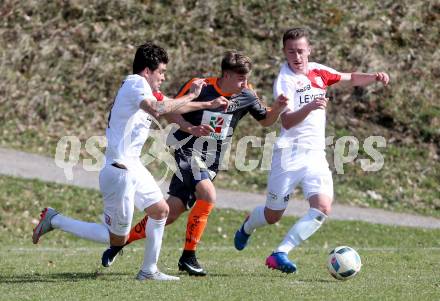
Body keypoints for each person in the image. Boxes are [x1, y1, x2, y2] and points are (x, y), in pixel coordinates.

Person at [32, 42, 228, 281]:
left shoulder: (144, 88)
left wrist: (204, 107)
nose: (164, 77)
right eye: (161, 72)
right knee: (116, 238)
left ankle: (149, 271)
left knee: (160, 210)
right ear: (147, 71)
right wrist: (193, 95)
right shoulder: (137, 84)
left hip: (133, 165)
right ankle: (56, 220)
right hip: (119, 169)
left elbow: (169, 106)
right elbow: (158, 108)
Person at [101, 50, 289, 276]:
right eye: (240, 78)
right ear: (226, 75)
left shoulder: (247, 95)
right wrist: (190, 128)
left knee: (168, 213)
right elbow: (171, 111)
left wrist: (277, 108)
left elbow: (266, 120)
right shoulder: (201, 86)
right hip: (187, 149)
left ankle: (120, 242)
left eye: (247, 78)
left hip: (212, 160)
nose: (245, 83)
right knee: (208, 194)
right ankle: (188, 257)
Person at [233, 27, 390, 273]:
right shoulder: (285, 81)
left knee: (322, 207)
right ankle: (247, 227)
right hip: (289, 154)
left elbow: (349, 77)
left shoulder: (319, 71)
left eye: (300, 51)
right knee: (273, 215)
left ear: (309, 50)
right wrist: (311, 107)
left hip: (315, 154)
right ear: (284, 52)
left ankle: (280, 253)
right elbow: (285, 121)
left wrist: (374, 77)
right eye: (291, 51)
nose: (296, 56)